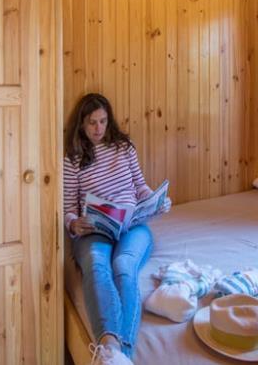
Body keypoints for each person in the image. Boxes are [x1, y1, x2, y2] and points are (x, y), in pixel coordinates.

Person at [64, 93, 171, 365]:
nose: (98, 128)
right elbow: (68, 207)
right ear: (81, 124)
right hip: (94, 229)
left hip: (131, 225)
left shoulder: (124, 147)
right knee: (96, 264)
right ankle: (112, 347)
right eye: (92, 123)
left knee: (124, 266)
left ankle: (117, 354)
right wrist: (73, 223)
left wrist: (155, 201)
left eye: (103, 121)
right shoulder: (73, 158)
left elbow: (140, 186)